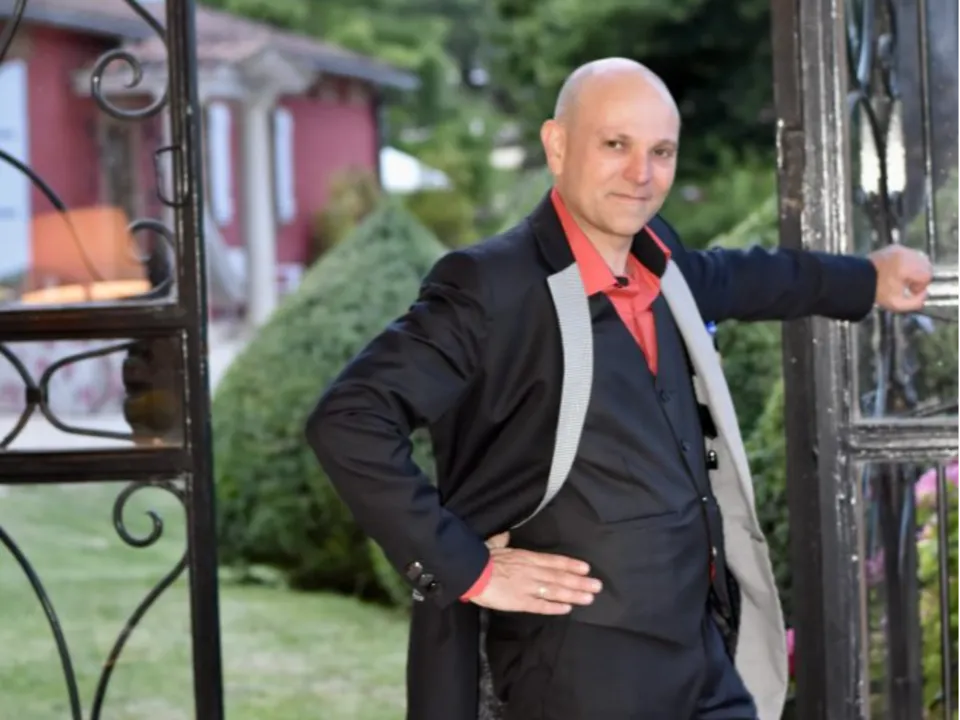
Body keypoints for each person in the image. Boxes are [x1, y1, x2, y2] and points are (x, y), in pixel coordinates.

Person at [304, 58, 932, 720]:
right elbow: (349, 419)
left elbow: (741, 278)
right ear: (557, 146)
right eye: (615, 144)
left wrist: (866, 279)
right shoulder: (489, 285)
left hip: (700, 657)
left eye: (661, 152)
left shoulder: (660, 258)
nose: (642, 173)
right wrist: (467, 567)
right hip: (574, 672)